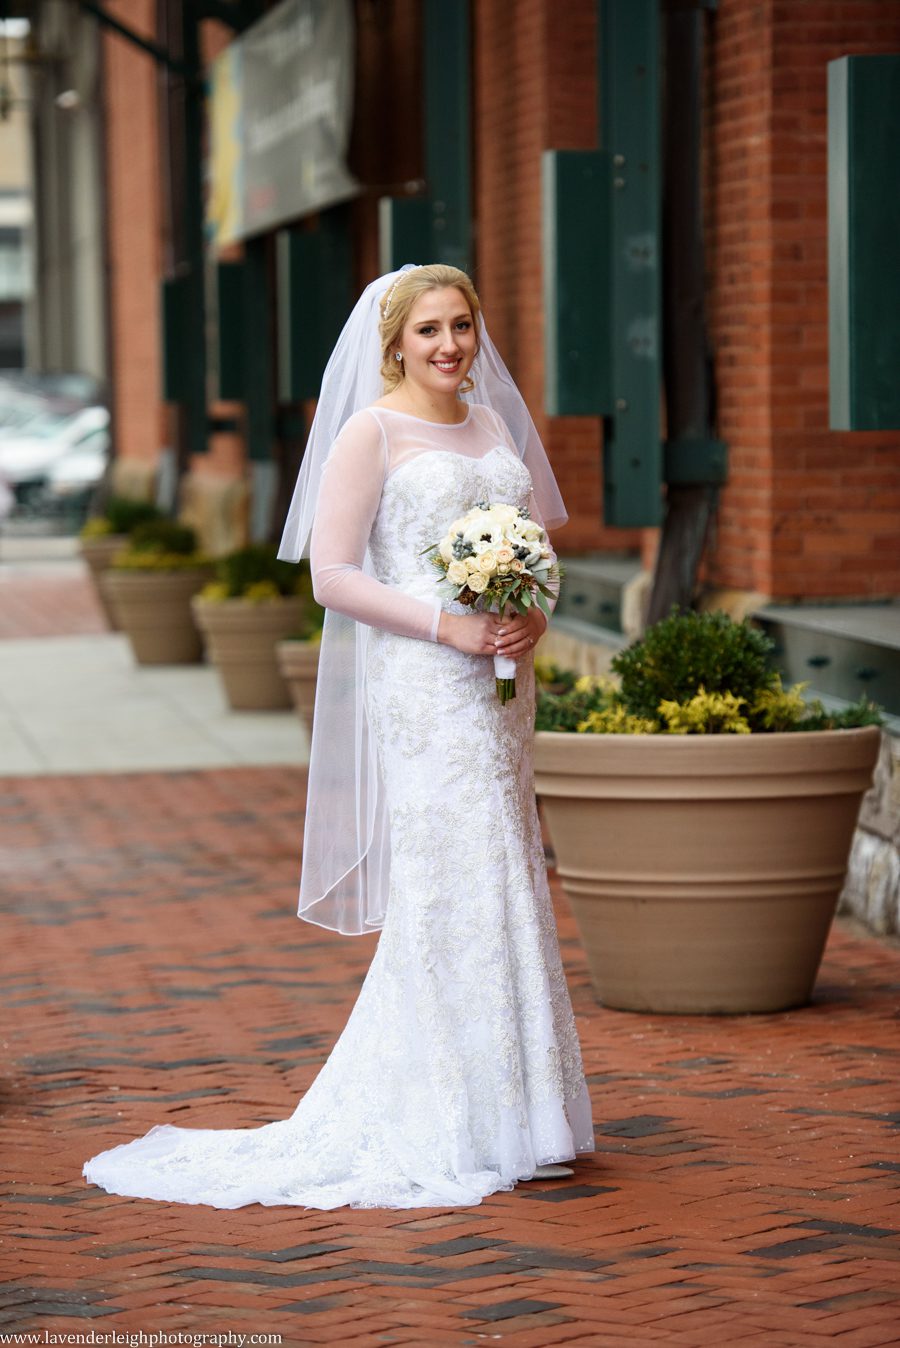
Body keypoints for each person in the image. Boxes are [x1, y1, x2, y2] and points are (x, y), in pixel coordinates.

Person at [81, 264, 594, 1210]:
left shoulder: (489, 425)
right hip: (428, 683)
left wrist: (533, 612)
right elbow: (332, 576)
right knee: (454, 876)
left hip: (500, 684)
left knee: (509, 866)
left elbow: (538, 547)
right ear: (394, 342)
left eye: (464, 327)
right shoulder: (372, 431)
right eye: (430, 330)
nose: (450, 346)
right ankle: (459, 1113)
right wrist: (454, 626)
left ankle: (525, 1112)